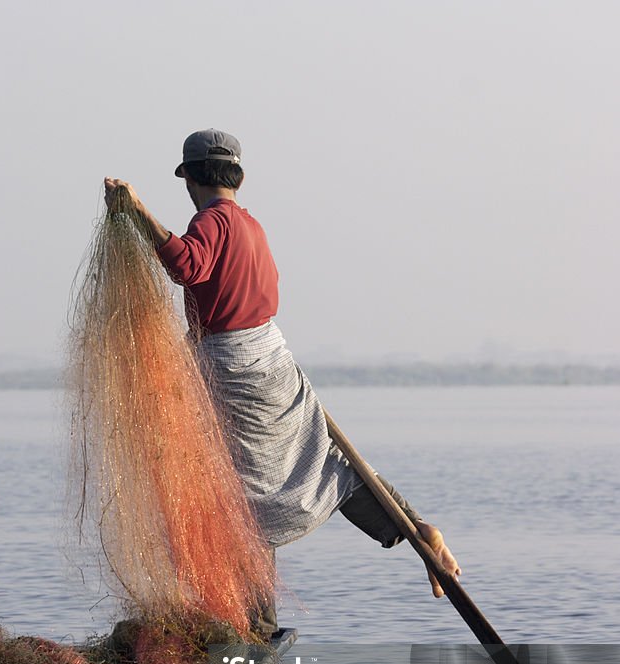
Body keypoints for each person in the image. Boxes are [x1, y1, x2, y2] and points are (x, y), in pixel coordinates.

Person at [104, 129, 460, 635]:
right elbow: (236, 292)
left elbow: (186, 265)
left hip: (238, 373)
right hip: (273, 359)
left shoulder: (212, 220)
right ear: (237, 176)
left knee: (244, 503)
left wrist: (138, 210)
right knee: (323, 461)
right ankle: (411, 527)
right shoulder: (250, 225)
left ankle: (257, 631)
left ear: (192, 180)